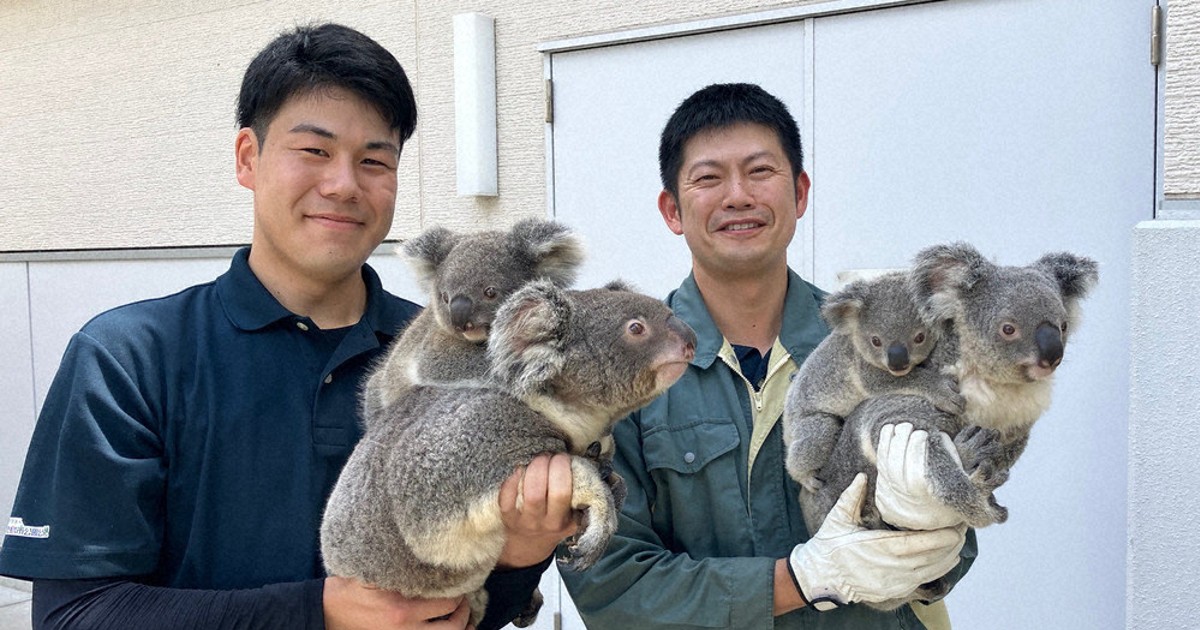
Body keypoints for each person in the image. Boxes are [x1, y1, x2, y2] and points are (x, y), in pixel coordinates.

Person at [0, 23, 575, 630]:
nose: (344, 185)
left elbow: (466, 606)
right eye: (314, 151)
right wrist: (318, 612)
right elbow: (76, 615)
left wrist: (517, 559)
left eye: (374, 160)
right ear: (248, 158)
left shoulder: (448, 360)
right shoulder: (129, 358)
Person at [559, 83, 977, 629]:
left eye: (760, 171)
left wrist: (926, 535)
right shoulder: (615, 375)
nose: (738, 196)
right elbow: (611, 585)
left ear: (799, 193)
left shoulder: (881, 342)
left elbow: (959, 523)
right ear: (672, 210)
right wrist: (802, 580)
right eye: (709, 178)